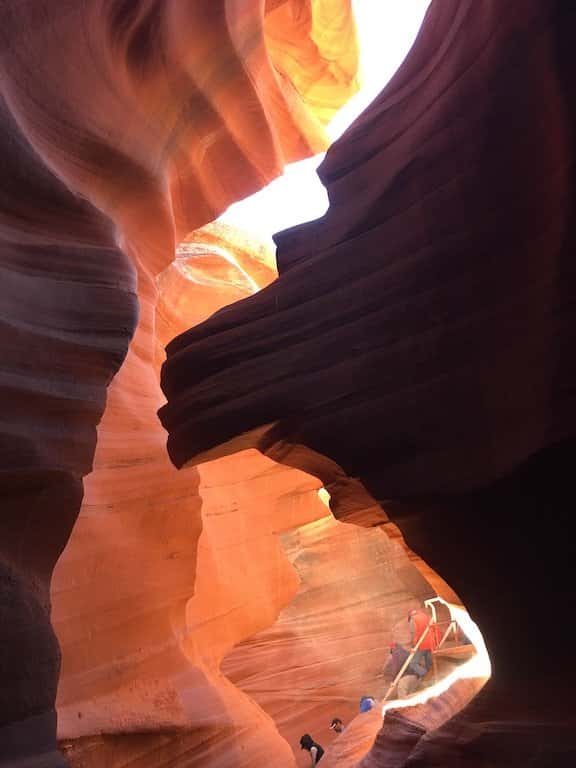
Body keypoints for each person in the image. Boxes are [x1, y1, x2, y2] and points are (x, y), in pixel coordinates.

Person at [408, 608, 436, 673]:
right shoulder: (427, 617)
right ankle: (431, 677)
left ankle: (425, 674)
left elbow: (413, 633)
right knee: (429, 664)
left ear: (410, 615)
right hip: (431, 643)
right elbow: (435, 629)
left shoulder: (413, 619)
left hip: (421, 644)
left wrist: (413, 646)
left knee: (413, 663)